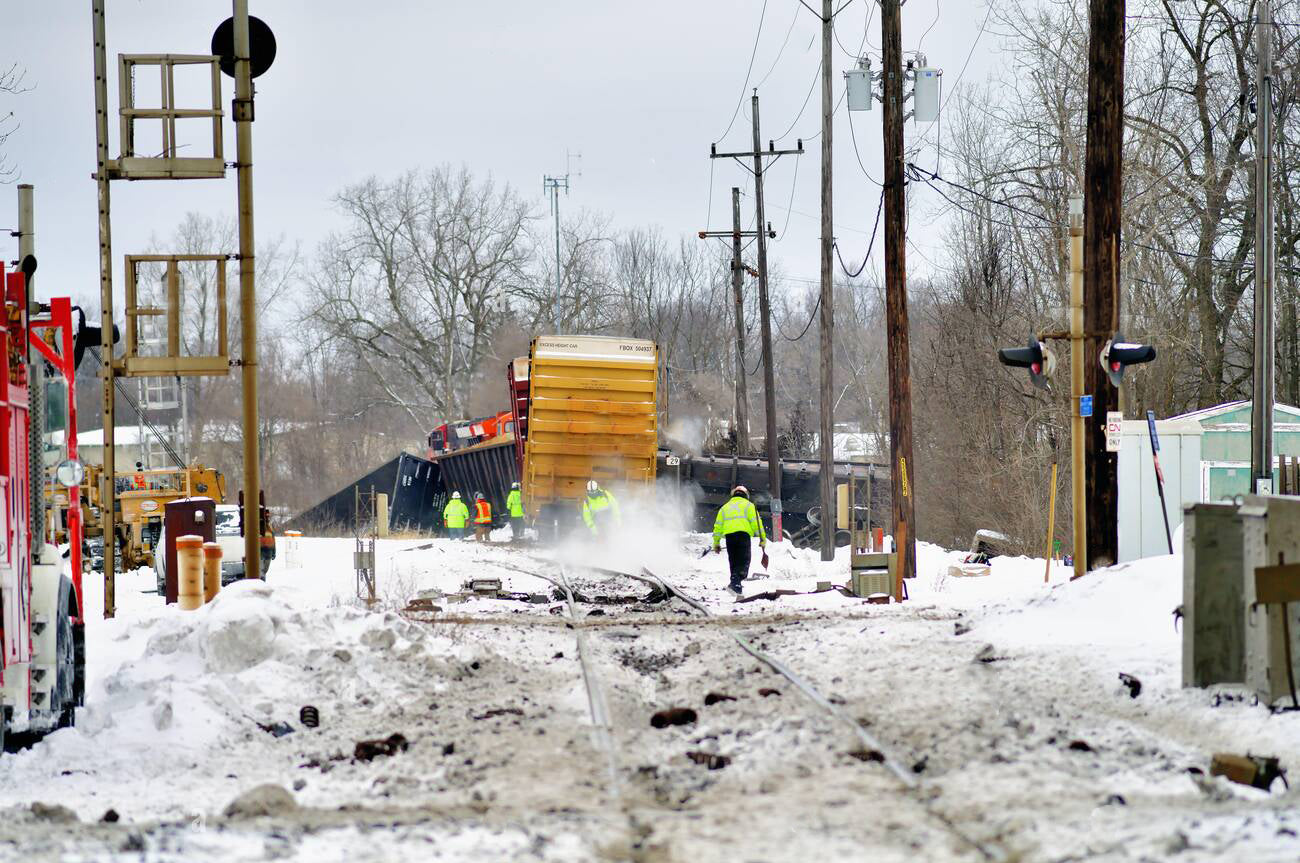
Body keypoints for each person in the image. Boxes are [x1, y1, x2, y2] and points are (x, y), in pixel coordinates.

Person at [712, 485, 766, 595]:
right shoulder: (749, 506)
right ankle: (735, 584)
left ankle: (735, 584)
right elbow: (757, 524)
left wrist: (716, 543)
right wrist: (762, 539)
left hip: (729, 537)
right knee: (744, 561)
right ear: (746, 495)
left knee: (734, 560)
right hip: (743, 536)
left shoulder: (724, 508)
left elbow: (717, 527)